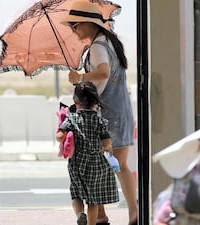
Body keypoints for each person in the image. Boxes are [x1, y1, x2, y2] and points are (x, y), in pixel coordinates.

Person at [61, 1, 138, 225]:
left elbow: (103, 72)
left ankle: (101, 217)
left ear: (88, 23)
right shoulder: (110, 43)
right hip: (122, 111)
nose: (73, 30)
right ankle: (133, 213)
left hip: (105, 116)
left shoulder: (96, 47)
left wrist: (80, 78)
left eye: (75, 25)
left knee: (96, 165)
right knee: (119, 166)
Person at [56, 81, 119, 225]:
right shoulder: (99, 120)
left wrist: (62, 138)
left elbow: (60, 135)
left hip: (77, 162)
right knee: (93, 200)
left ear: (75, 101)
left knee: (76, 193)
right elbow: (107, 142)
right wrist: (106, 149)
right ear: (94, 101)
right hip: (96, 163)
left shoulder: (71, 118)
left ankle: (79, 214)